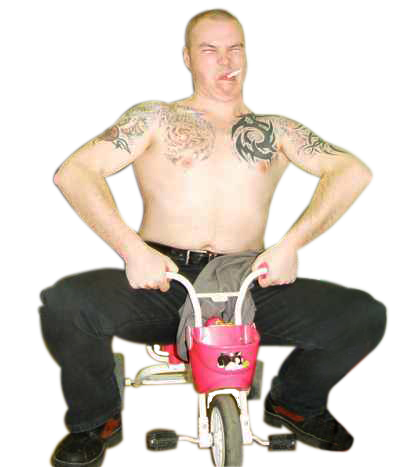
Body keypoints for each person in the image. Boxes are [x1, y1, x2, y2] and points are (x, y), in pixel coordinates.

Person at [41, 10, 388, 466]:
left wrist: (290, 244)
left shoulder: (277, 129)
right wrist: (133, 250)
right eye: (210, 50)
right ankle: (95, 421)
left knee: (364, 316)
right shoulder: (153, 118)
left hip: (249, 278)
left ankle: (292, 404)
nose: (227, 61)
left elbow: (352, 173)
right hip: (164, 278)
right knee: (66, 303)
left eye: (235, 49)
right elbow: (74, 173)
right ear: (186, 58)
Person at [119, 6, 194, 106]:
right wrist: (135, 91)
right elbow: (143, 104)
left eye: (180, 19)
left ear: (187, 23)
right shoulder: (150, 57)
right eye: (170, 18)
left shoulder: (196, 54)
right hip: (160, 116)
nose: (174, 23)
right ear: (163, 22)